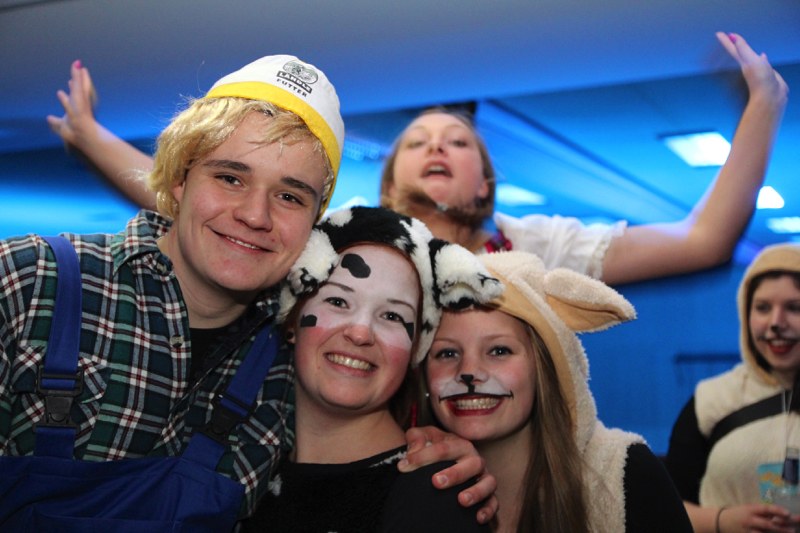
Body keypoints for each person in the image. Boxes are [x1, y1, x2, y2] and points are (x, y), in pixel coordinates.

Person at [1, 55, 495, 530]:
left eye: (289, 196)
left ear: (313, 221)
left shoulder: (291, 354)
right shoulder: (29, 281)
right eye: (230, 177)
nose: (255, 216)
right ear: (179, 179)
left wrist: (456, 448)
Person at [48, 32, 789, 286]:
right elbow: (180, 196)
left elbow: (702, 240)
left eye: (458, 142)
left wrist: (764, 105)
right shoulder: (344, 235)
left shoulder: (539, 246)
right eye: (418, 142)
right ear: (389, 177)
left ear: (486, 180)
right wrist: (89, 133)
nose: (437, 145)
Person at [241, 205, 502, 532]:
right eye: (338, 302)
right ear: (293, 319)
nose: (361, 332)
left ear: (415, 349)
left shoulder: (437, 494)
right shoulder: (247, 472)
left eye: (392, 316)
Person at [422, 250, 694, 532]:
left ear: (545, 366)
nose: (469, 371)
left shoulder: (625, 474)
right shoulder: (407, 483)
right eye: (447, 353)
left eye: (499, 350)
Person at [665, 243, 800, 533]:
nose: (776, 323)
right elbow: (665, 509)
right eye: (762, 308)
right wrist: (721, 521)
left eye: (794, 308)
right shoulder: (711, 400)